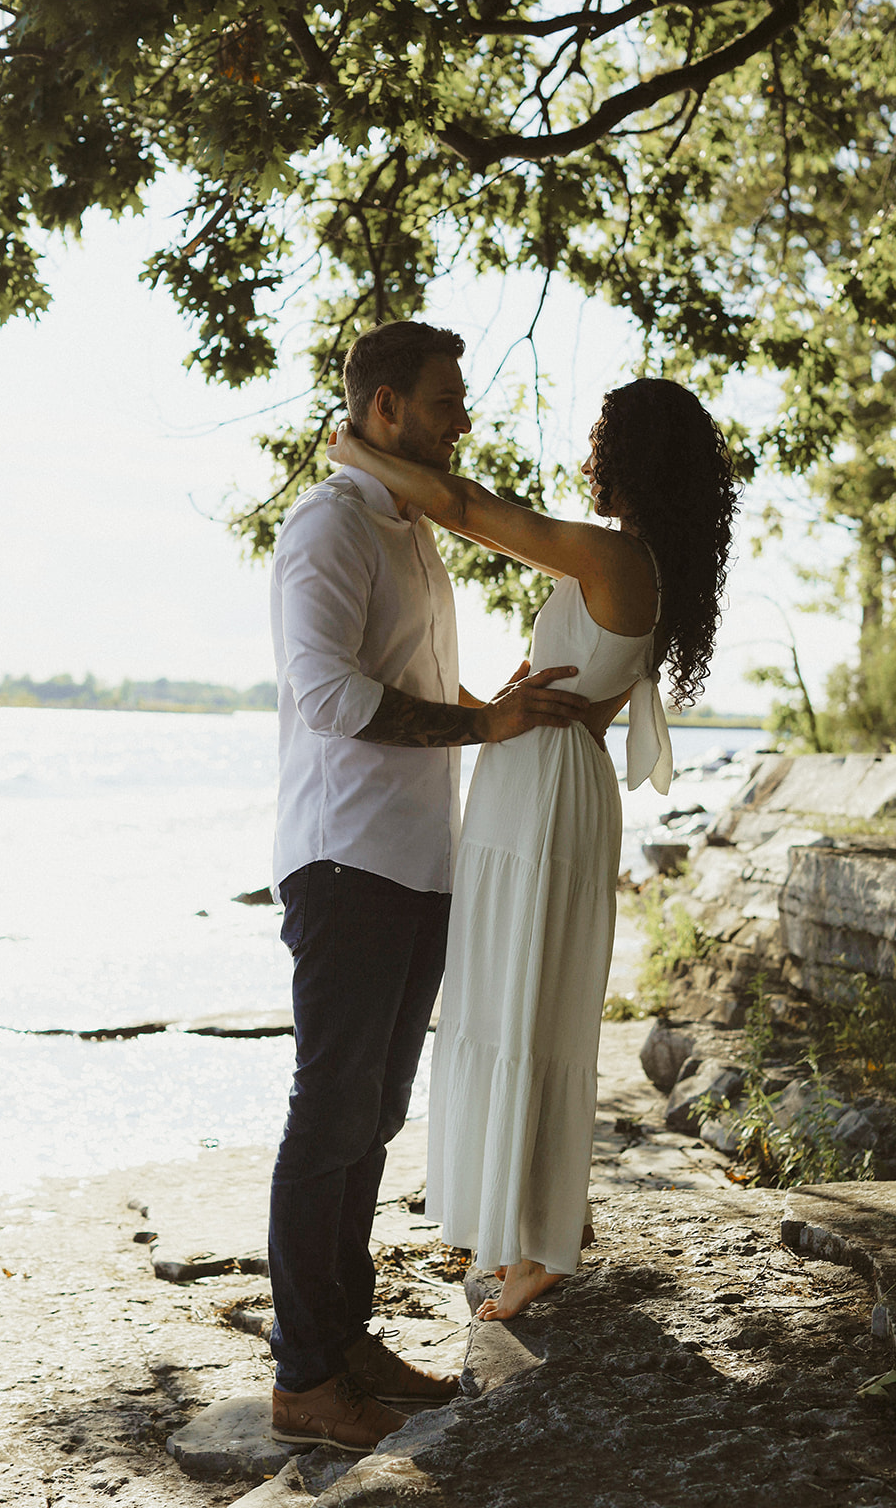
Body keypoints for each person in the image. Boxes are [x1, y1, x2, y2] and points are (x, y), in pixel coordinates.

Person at [327, 377, 737, 1320]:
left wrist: (357, 454)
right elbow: (523, 701)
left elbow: (469, 510)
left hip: (547, 797)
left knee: (528, 1010)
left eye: (601, 443)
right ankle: (542, 1227)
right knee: (519, 1002)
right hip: (536, 784)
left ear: (635, 460)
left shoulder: (616, 557)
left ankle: (533, 1245)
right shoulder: (619, 562)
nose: (588, 460)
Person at [268, 321, 590, 1452]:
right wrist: (475, 722)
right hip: (345, 864)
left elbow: (402, 683)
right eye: (446, 400)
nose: (462, 418)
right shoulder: (325, 526)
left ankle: (346, 1347)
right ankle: (303, 1380)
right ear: (385, 408)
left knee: (372, 1116)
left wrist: (486, 709)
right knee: (330, 1114)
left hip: (413, 865)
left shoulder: (411, 533)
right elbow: (331, 699)